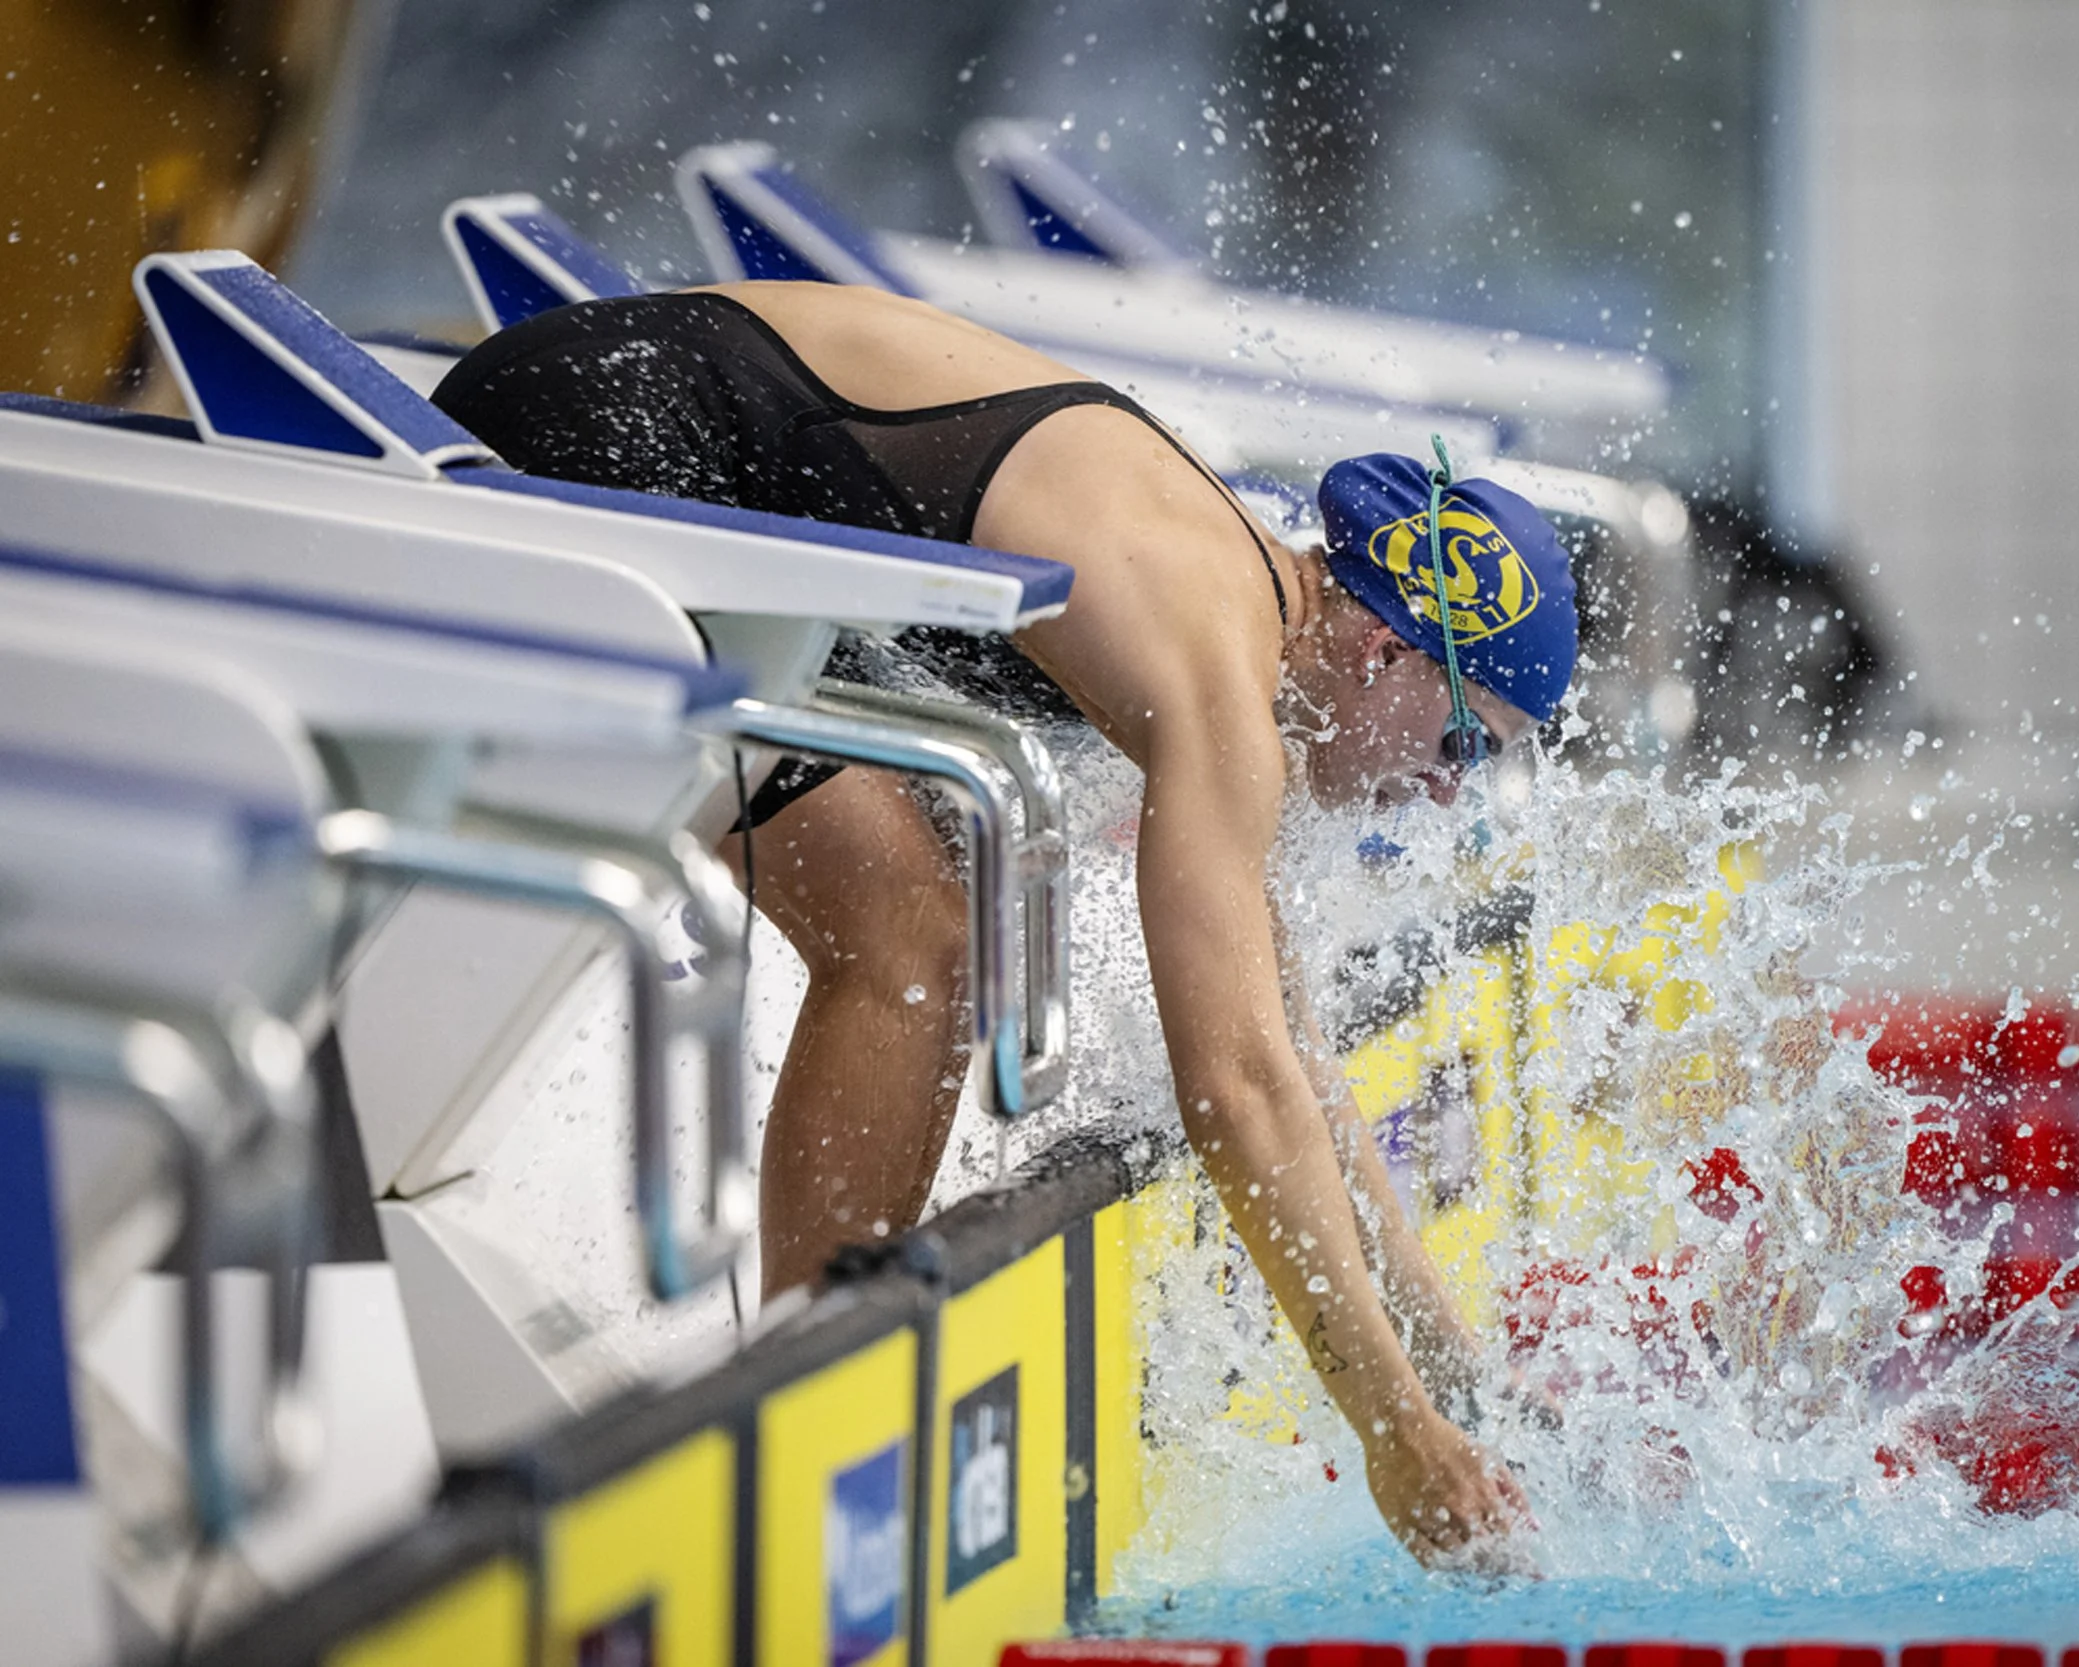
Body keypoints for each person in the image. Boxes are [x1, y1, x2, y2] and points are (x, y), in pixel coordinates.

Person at [430, 281, 1577, 1567]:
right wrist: (1394, 1434)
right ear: (1383, 645)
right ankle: (803, 1429)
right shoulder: (1217, 676)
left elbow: (1293, 1055)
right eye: (1463, 737)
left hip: (686, 455)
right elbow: (1237, 1092)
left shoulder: (1245, 625)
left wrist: (1449, 1375)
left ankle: (806, 1393)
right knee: (915, 938)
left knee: (929, 916)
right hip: (605, 437)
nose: (1444, 789)